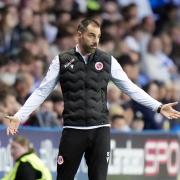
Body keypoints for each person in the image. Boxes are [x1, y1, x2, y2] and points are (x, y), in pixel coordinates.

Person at [3, 18, 180, 180]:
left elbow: (130, 88)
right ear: (79, 35)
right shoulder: (61, 60)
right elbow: (42, 91)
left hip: (100, 130)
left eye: (98, 36)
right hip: (73, 130)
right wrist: (19, 115)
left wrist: (158, 106)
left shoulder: (108, 60)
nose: (96, 40)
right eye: (91, 35)